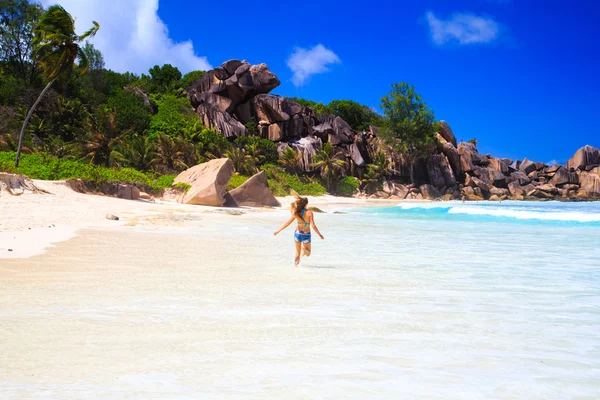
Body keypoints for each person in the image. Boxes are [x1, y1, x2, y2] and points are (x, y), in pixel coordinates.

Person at [273, 194, 324, 267]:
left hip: (297, 233)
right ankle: (303, 250)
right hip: (306, 235)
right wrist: (320, 235)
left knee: (297, 253)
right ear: (306, 204)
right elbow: (313, 226)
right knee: (308, 253)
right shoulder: (309, 213)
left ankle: (295, 267)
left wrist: (278, 231)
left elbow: (288, 223)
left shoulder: (296, 212)